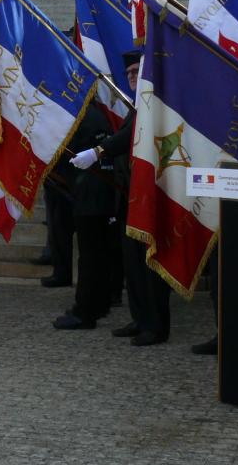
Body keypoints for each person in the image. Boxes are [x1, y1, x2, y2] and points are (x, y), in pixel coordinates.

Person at [71, 50, 170, 346]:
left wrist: (99, 151)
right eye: (128, 73)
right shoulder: (136, 107)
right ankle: (140, 318)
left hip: (148, 197)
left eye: (137, 71)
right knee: (132, 262)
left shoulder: (153, 105)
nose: (131, 77)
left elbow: (131, 138)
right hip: (127, 197)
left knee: (148, 264)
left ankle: (155, 325)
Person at [51, 102, 114, 330]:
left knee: (89, 256)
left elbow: (68, 149)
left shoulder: (83, 116)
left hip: (90, 191)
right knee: (98, 254)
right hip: (96, 190)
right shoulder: (94, 112)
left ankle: (84, 311)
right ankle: (99, 304)